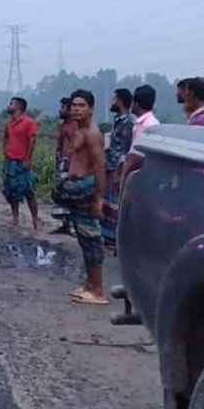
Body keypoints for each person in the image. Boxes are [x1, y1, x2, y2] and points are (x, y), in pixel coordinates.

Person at [54, 90, 107, 305]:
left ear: (91, 108)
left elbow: (100, 167)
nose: (76, 108)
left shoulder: (92, 133)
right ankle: (89, 284)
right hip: (76, 187)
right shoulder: (79, 130)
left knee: (91, 239)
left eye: (81, 105)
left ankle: (97, 290)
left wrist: (99, 199)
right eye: (74, 105)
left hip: (87, 188)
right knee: (83, 239)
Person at [1, 97, 41, 229]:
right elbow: (6, 137)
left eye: (11, 104)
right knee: (11, 190)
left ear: (18, 107)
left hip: (22, 161)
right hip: (10, 161)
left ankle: (35, 219)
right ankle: (15, 218)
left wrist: (28, 158)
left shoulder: (29, 122)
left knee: (28, 190)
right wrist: (5, 150)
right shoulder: (9, 123)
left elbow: (33, 140)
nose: (8, 106)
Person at [102, 88, 134, 247]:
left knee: (115, 203)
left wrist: (119, 172)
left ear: (120, 101)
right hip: (110, 165)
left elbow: (125, 150)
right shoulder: (118, 120)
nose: (112, 102)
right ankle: (108, 237)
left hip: (116, 168)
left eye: (114, 99)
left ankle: (114, 238)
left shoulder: (128, 122)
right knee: (107, 202)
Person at [121, 84, 161, 193]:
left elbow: (135, 157)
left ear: (137, 103)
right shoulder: (144, 123)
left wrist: (123, 180)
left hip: (142, 179)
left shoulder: (148, 125)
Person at [50, 97, 79, 235]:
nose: (60, 110)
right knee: (62, 194)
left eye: (63, 108)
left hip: (71, 163)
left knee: (71, 193)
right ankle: (65, 224)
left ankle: (73, 225)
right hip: (63, 161)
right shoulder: (64, 125)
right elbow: (60, 144)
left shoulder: (74, 125)